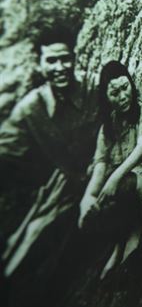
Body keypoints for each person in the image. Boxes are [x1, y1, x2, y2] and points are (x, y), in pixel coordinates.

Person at [0, 29, 100, 298]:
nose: (60, 68)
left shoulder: (93, 88)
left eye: (65, 59)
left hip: (100, 180)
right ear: (40, 64)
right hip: (59, 193)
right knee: (29, 248)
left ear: (74, 58)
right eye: (51, 61)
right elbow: (5, 151)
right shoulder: (30, 109)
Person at [77, 61, 142, 279]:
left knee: (122, 184)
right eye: (115, 92)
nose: (123, 96)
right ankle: (119, 245)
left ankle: (133, 236)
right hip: (121, 196)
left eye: (125, 87)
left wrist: (114, 178)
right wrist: (88, 198)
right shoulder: (106, 129)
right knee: (96, 207)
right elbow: (100, 166)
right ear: (106, 97)